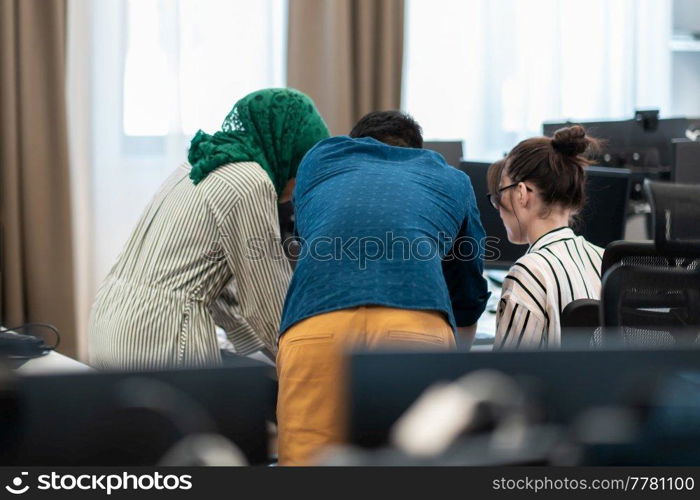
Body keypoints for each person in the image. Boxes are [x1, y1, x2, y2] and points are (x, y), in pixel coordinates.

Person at [276, 110, 490, 465]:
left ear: (355, 142)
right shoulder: (451, 179)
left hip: (316, 321)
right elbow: (467, 282)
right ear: (416, 151)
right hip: (415, 321)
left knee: (306, 466)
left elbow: (306, 237)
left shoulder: (318, 160)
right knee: (413, 465)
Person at [88, 88, 329, 369]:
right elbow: (268, 297)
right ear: (290, 155)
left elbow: (217, 289)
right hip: (162, 335)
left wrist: (259, 348)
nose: (299, 188)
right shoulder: (251, 182)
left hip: (110, 319)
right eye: (303, 172)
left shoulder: (198, 164)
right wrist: (312, 365)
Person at [489, 125, 603, 350]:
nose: (497, 207)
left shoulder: (528, 272)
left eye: (500, 193)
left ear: (521, 193)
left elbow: (509, 373)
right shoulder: (605, 260)